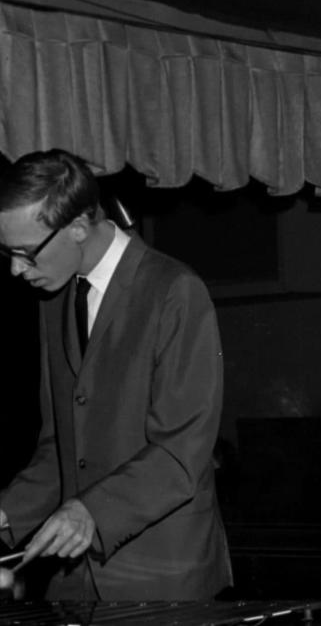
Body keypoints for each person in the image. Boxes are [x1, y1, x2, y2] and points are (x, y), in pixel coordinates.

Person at [0, 150, 231, 600]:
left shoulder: (175, 292)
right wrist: (6, 512)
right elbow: (61, 449)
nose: (14, 269)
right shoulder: (53, 301)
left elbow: (181, 452)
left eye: (25, 254)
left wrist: (90, 512)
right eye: (7, 253)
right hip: (78, 582)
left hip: (164, 578)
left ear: (79, 227)